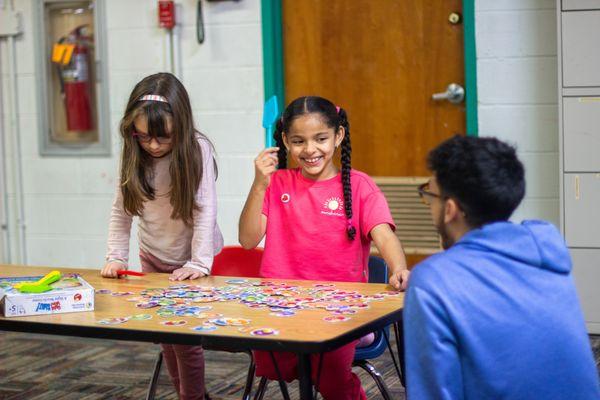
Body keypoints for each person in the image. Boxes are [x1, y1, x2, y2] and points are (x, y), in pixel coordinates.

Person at [238, 95, 409, 400]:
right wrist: (259, 184)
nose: (310, 150)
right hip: (281, 305)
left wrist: (398, 269)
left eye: (320, 139)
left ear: (338, 136)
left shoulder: (360, 186)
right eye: (298, 141)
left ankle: (350, 367)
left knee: (329, 376)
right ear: (285, 143)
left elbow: (384, 236)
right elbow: (248, 240)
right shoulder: (276, 183)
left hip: (340, 308)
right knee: (271, 364)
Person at [404, 135, 600, 399]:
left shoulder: (433, 280)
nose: (430, 205)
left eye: (430, 195)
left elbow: (433, 392)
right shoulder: (543, 245)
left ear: (450, 209)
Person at [101, 72, 223, 400]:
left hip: (193, 259)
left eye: (163, 138)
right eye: (143, 137)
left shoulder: (198, 149)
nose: (153, 145)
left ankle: (192, 397)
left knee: (185, 341)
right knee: (165, 335)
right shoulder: (134, 154)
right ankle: (189, 394)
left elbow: (204, 210)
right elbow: (121, 211)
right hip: (153, 256)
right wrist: (115, 256)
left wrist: (198, 263)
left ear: (180, 128)